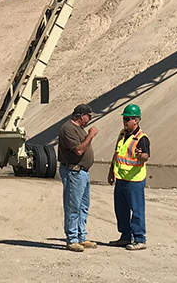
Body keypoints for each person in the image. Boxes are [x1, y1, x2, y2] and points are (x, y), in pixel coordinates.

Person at [107, 103, 150, 250]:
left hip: (134, 181)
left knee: (137, 211)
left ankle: (139, 238)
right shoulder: (122, 134)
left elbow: (146, 156)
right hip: (121, 178)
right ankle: (125, 237)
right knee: (121, 210)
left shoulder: (142, 138)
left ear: (136, 120)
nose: (124, 121)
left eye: (127, 119)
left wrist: (141, 156)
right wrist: (111, 170)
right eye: (124, 119)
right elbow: (117, 153)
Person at [57, 103, 99, 252]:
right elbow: (79, 151)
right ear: (81, 116)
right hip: (73, 172)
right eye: (89, 116)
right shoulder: (68, 129)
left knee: (83, 206)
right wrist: (90, 135)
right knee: (73, 206)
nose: (90, 119)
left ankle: (81, 236)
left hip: (82, 173)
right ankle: (72, 239)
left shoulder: (78, 129)